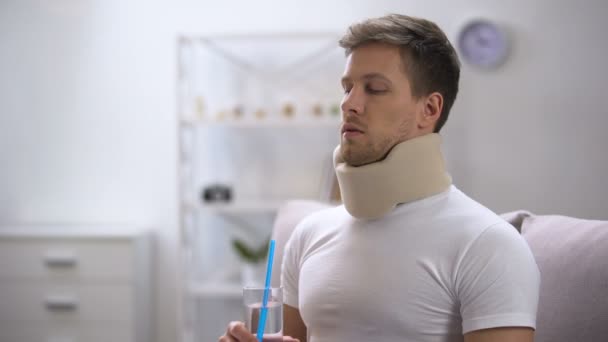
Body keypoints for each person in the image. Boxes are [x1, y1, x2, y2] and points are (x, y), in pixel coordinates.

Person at [220, 13, 540, 342]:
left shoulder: (489, 245)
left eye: (374, 89)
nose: (349, 104)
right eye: (347, 88)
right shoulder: (307, 235)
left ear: (429, 109)